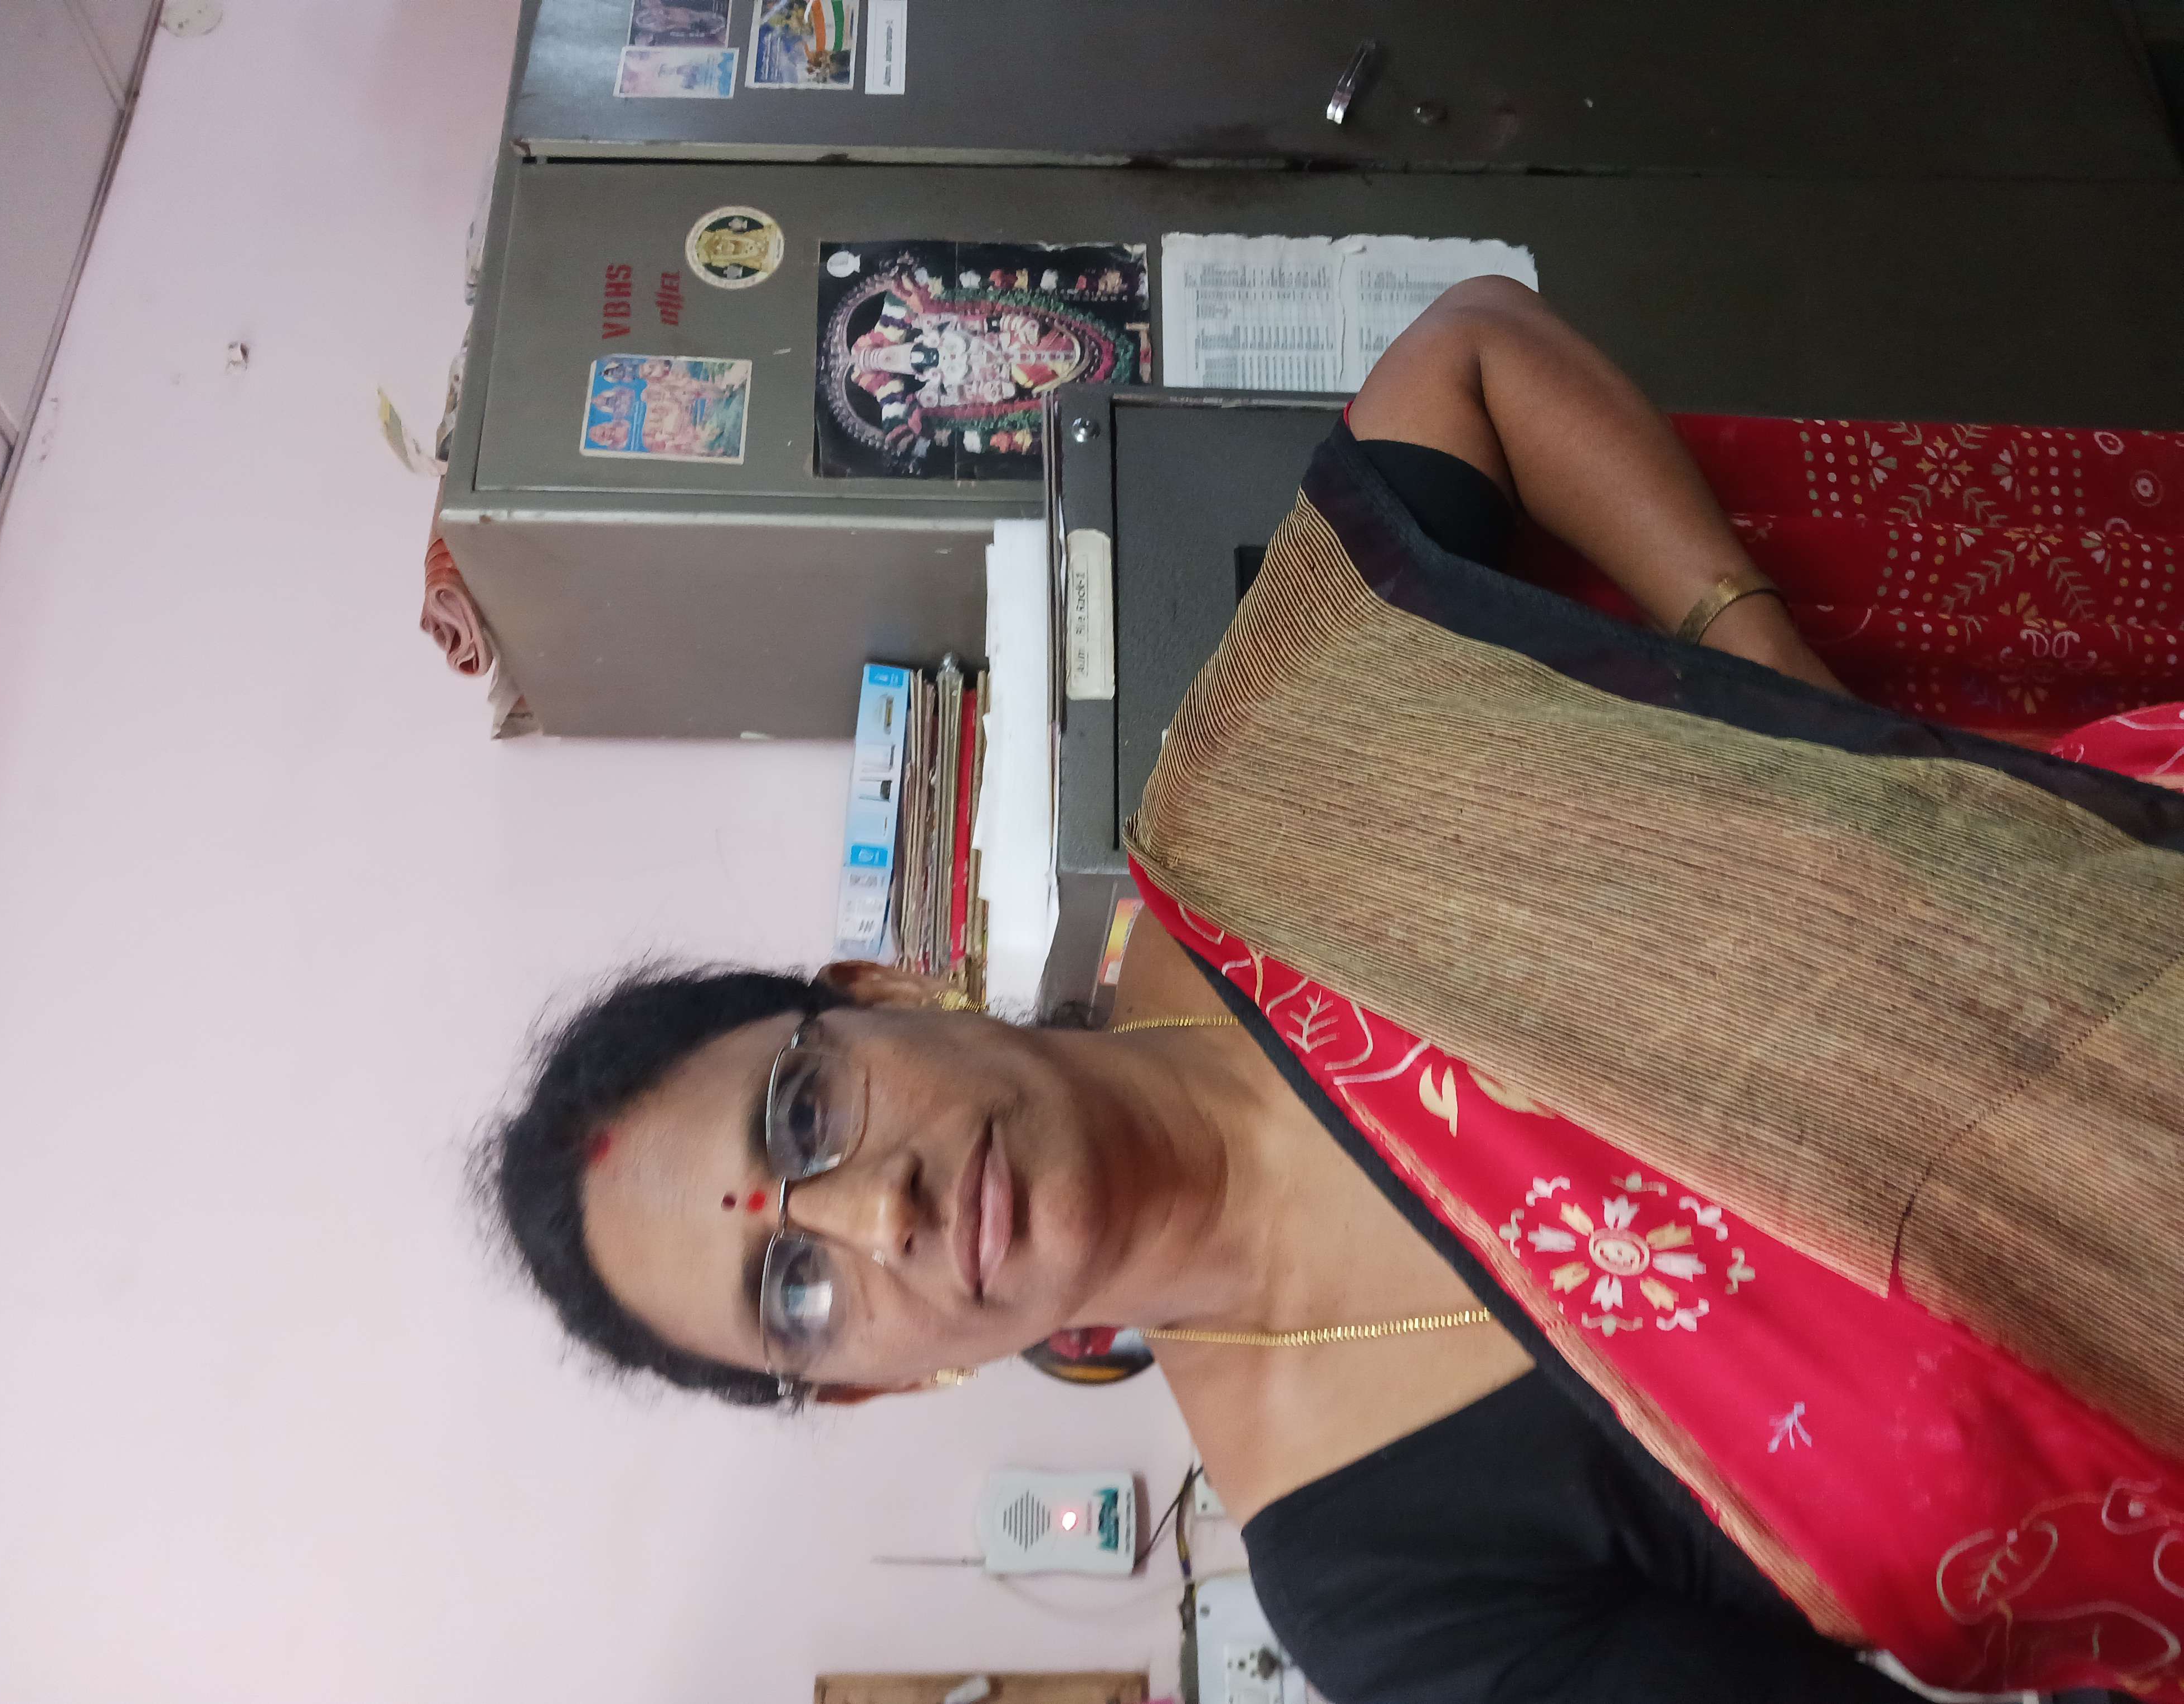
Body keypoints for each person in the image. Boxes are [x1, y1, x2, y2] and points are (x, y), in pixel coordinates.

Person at [488, 281, 2184, 1702]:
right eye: (794, 1289)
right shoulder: (1391, 1583)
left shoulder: (1270, 802)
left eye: (805, 1113)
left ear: (887, 987)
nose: (880, 1214)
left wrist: (1779, 692)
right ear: (869, 1383)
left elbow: (1474, 355)